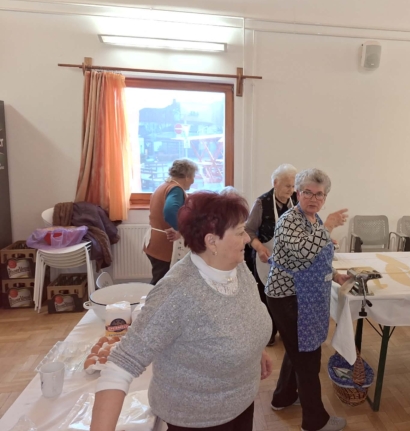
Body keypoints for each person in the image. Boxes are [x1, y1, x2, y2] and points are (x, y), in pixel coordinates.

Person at [91, 191, 272, 431]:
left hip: (241, 404)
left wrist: (254, 349)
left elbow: (242, 316)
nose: (247, 239)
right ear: (212, 241)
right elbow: (120, 366)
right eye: (240, 232)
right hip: (195, 419)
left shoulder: (236, 267)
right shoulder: (177, 293)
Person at [265, 168, 351, 431]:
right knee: (307, 359)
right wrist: (328, 226)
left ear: (325, 197)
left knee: (297, 350)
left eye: (319, 194)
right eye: (308, 193)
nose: (314, 199)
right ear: (297, 193)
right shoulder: (289, 220)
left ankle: (283, 397)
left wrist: (335, 275)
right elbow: (303, 252)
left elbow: (317, 256)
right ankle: (315, 421)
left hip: (304, 296)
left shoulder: (313, 218)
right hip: (288, 297)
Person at [246, 163, 298, 346]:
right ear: (276, 183)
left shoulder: (296, 202)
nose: (291, 190)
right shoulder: (262, 203)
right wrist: (259, 248)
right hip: (266, 258)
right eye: (287, 186)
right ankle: (268, 332)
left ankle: (285, 331)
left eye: (293, 186)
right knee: (266, 298)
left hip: (290, 260)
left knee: (288, 298)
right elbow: (248, 231)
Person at [144, 159, 198, 285]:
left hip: (154, 241)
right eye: (193, 177)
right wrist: (181, 229)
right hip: (164, 246)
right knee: (162, 284)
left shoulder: (164, 186)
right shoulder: (176, 189)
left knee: (161, 281)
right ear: (186, 176)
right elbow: (169, 212)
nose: (193, 181)